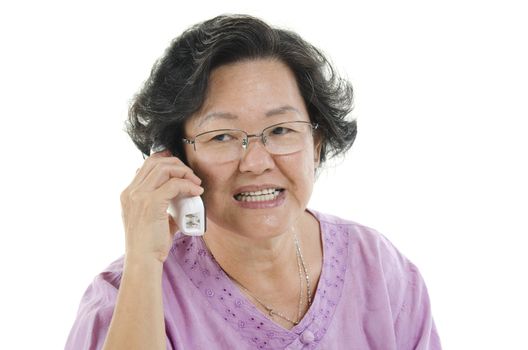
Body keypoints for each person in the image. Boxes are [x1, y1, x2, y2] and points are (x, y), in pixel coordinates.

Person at [65, 14, 441, 350]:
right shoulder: (122, 298)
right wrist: (144, 263)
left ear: (316, 145)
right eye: (222, 136)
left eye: (280, 129)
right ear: (176, 159)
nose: (257, 162)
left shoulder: (379, 269)